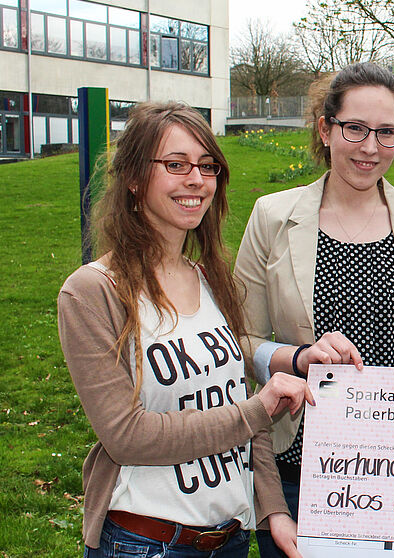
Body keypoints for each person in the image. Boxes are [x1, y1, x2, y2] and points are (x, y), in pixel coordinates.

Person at [57, 102, 314, 557]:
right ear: (134, 178)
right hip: (147, 543)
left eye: (207, 165)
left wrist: (273, 509)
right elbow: (126, 436)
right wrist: (256, 409)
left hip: (230, 540)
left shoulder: (210, 278)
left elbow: (240, 404)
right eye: (176, 165)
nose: (196, 179)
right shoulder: (92, 292)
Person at [234, 62, 394, 557]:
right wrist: (298, 358)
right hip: (298, 471)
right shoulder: (272, 217)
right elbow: (241, 341)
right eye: (355, 128)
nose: (370, 147)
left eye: (386, 133)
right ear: (325, 129)